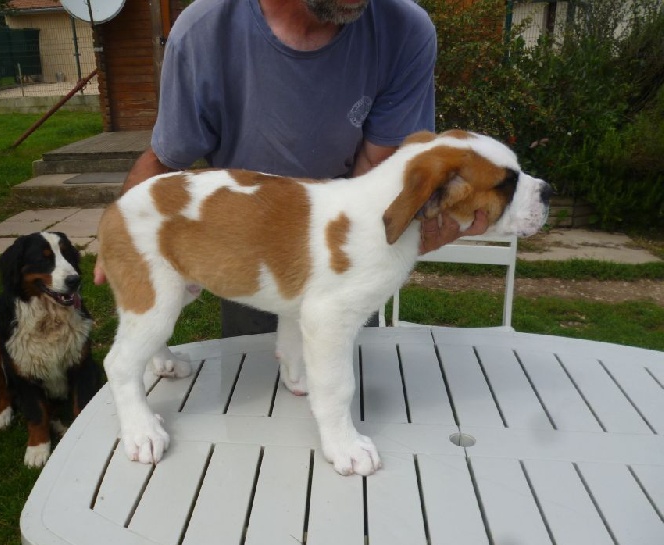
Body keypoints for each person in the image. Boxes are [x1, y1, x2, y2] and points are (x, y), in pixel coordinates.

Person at [94, 0, 488, 336]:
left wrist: (413, 229)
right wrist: (125, 228)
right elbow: (165, 157)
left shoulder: (403, 28)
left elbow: (379, 170)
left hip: (341, 242)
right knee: (252, 383)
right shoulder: (203, 31)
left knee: (341, 373)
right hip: (244, 241)